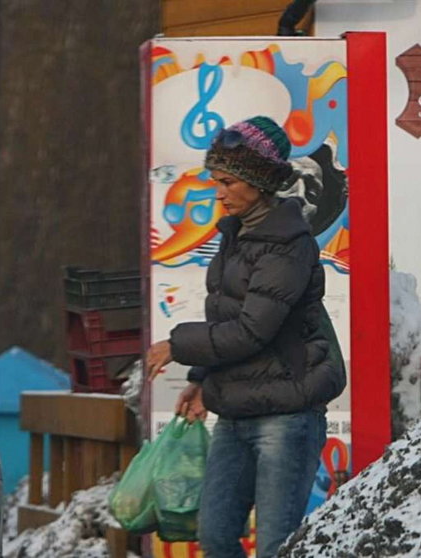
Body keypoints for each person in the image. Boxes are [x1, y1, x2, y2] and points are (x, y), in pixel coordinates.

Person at [145, 116, 346, 558]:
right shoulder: (236, 236)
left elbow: (253, 330)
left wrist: (177, 347)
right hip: (237, 408)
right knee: (216, 537)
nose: (218, 192)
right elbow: (229, 316)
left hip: (287, 415)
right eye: (216, 180)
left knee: (275, 546)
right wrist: (201, 378)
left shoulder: (288, 244)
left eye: (228, 181)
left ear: (259, 181)